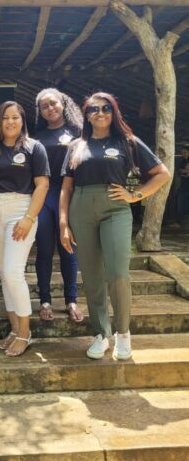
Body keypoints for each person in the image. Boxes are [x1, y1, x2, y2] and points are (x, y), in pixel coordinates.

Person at [60, 92, 171, 361]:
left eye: (106, 107)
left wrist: (135, 195)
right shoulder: (77, 145)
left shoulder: (127, 142)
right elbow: (66, 188)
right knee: (92, 275)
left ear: (114, 111)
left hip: (115, 209)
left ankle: (123, 333)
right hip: (81, 208)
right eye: (93, 109)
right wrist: (63, 223)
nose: (100, 113)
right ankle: (101, 333)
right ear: (86, 115)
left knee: (118, 273)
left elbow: (162, 174)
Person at [0, 101, 49, 357]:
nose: (10, 122)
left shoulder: (34, 148)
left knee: (12, 272)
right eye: (5, 118)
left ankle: (25, 332)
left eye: (15, 117)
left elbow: (42, 185)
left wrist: (29, 217)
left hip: (22, 210)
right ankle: (13, 328)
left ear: (22, 121)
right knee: (4, 274)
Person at [34, 88, 83, 323]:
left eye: (53, 104)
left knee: (68, 250)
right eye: (45, 106)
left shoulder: (79, 132)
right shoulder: (37, 137)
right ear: (40, 112)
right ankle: (44, 300)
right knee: (44, 250)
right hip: (45, 196)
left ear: (63, 103)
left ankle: (71, 300)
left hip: (70, 195)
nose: (50, 108)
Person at [176, 144, 189, 226]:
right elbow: (179, 171)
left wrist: (183, 171)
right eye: (182, 153)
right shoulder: (183, 161)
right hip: (184, 186)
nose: (183, 154)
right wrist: (184, 171)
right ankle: (179, 222)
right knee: (180, 202)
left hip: (186, 185)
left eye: (185, 152)